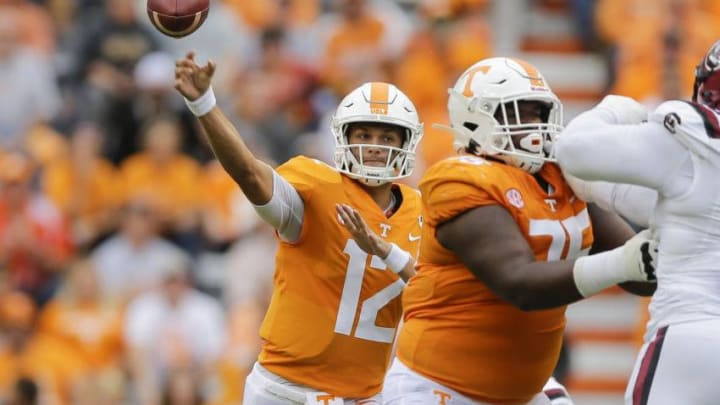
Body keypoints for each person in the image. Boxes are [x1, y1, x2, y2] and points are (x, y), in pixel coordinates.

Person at [382, 57, 657, 405]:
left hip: (522, 390)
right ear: (476, 119)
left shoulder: (561, 177)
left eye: (539, 114)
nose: (535, 127)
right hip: (440, 388)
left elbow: (642, 275)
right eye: (520, 114)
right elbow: (519, 284)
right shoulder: (458, 179)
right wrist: (622, 263)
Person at [174, 52, 423, 404]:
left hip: (364, 396)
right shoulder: (317, 187)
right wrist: (204, 104)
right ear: (344, 138)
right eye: (364, 133)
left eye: (387, 138)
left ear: (405, 143)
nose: (374, 147)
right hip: (286, 391)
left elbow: (437, 293)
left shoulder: (422, 213)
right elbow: (249, 173)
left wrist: (386, 252)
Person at [555, 39, 720, 405]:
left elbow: (572, 149)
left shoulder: (695, 138)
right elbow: (675, 207)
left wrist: (615, 109)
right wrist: (590, 187)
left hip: (690, 332)